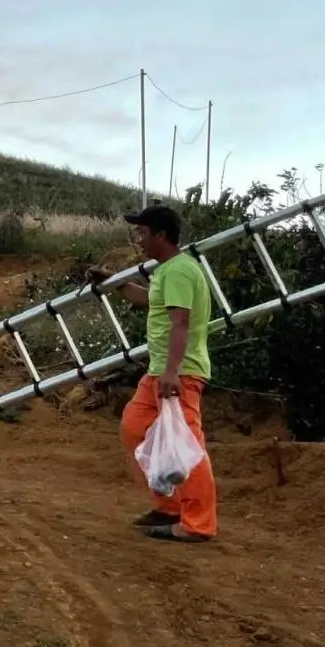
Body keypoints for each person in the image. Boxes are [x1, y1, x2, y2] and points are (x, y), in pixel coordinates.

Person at [88, 204, 217, 543]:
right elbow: (151, 302)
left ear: (162, 235)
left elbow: (181, 323)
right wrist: (115, 284)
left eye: (143, 233)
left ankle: (198, 523)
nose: (138, 240)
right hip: (160, 371)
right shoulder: (168, 272)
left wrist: (172, 374)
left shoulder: (178, 271)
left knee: (187, 445)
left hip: (180, 372)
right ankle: (169, 506)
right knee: (134, 428)